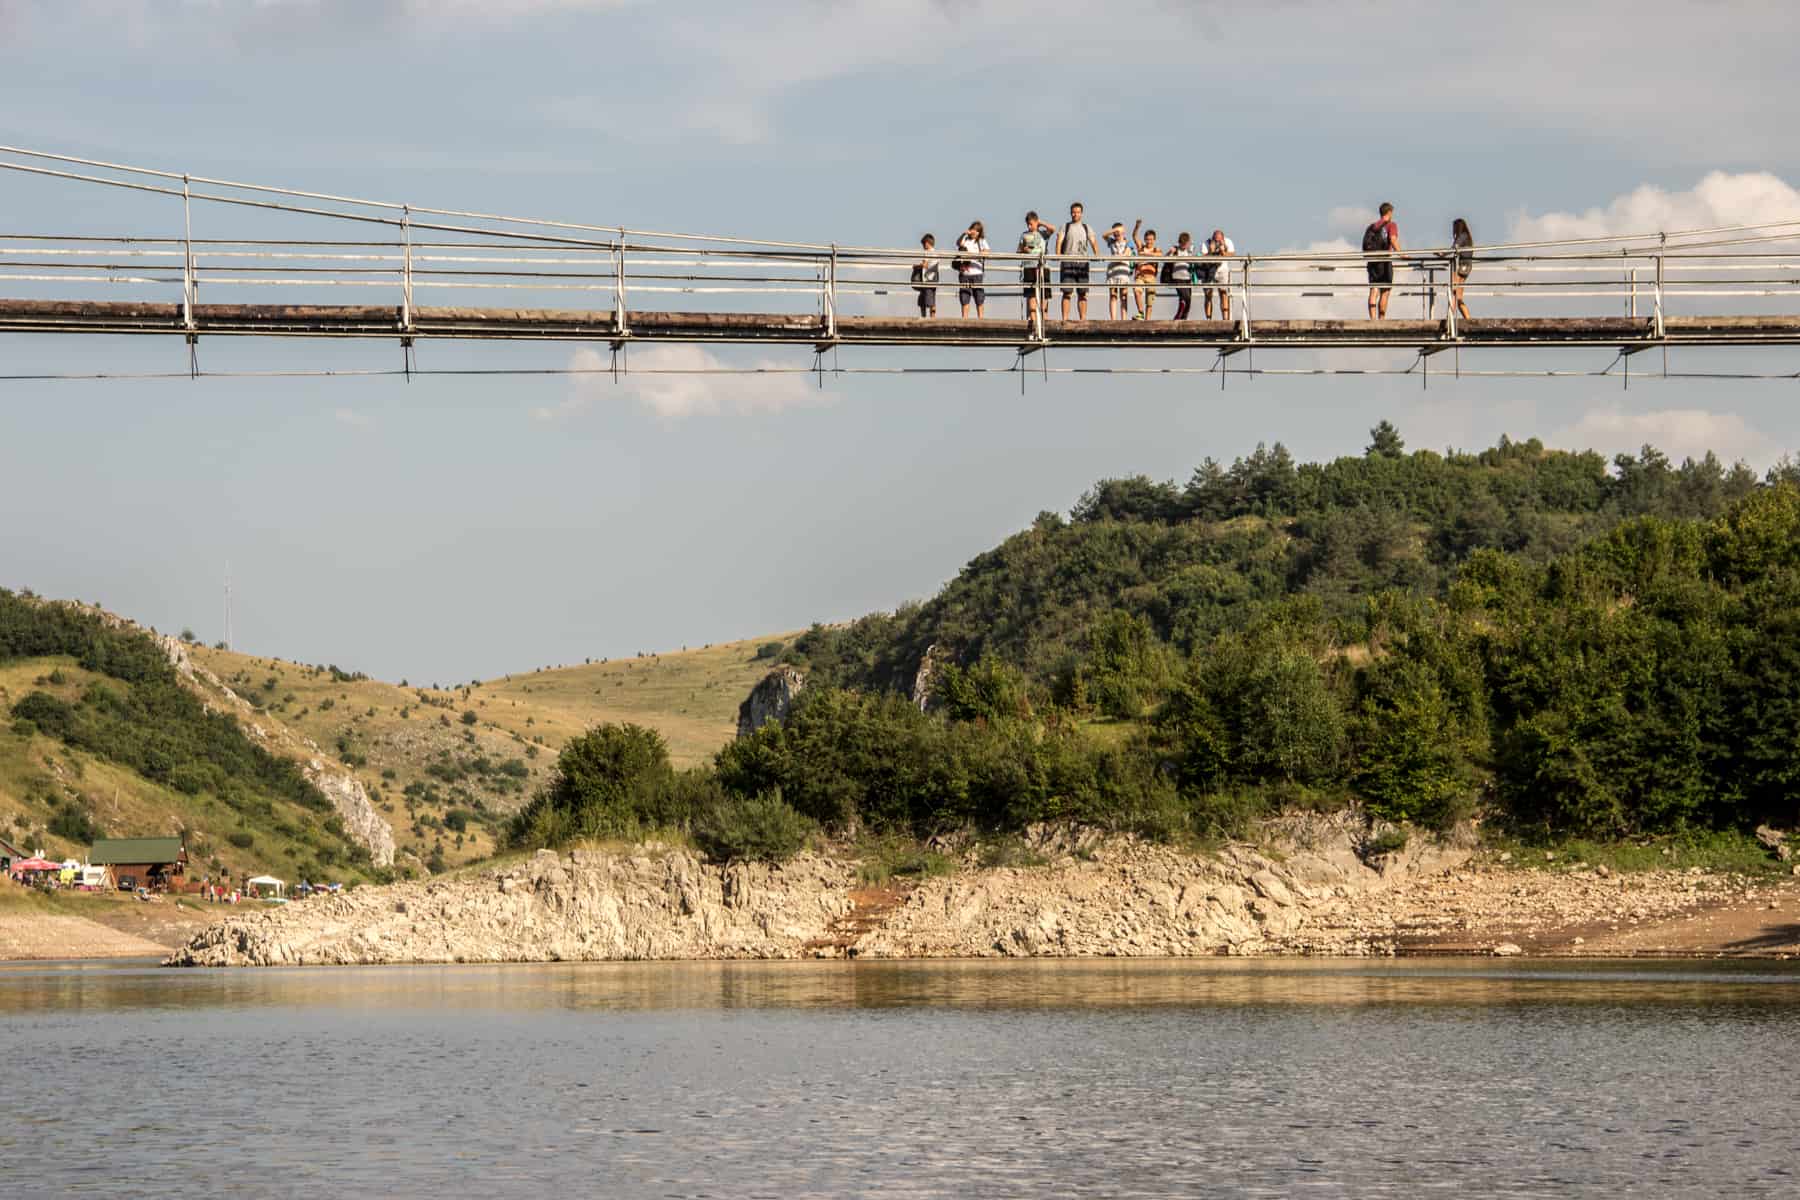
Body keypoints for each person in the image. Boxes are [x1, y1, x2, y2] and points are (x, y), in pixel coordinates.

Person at [1058, 201, 1098, 321]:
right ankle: (1065, 319)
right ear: (1071, 213)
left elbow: (1093, 241)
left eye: (1078, 212)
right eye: (1074, 212)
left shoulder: (1087, 227)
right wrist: (1059, 255)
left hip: (1082, 263)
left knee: (1082, 293)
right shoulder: (1065, 226)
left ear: (1082, 213)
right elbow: (1059, 241)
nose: (1076, 214)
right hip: (1068, 261)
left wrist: (1097, 254)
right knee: (1067, 292)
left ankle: (1083, 319)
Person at [1364, 202, 1401, 319]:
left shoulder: (1372, 226)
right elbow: (1393, 240)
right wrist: (1401, 254)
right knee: (1385, 292)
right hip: (1385, 262)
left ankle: (1373, 320)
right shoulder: (1391, 225)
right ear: (1389, 212)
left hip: (1373, 261)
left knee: (1373, 290)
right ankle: (1381, 320)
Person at [1017, 211, 1055, 322]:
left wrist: (1040, 223)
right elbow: (1018, 250)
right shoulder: (1024, 235)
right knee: (1031, 295)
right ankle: (1033, 322)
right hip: (1029, 267)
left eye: (1031, 224)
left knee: (1044, 295)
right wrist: (1023, 250)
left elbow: (1053, 229)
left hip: (1043, 267)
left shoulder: (1043, 234)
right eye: (1028, 224)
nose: (1029, 226)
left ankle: (1044, 320)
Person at [955, 221, 989, 318]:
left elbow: (987, 252)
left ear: (979, 232)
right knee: (964, 296)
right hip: (965, 273)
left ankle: (981, 319)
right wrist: (964, 234)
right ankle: (965, 319)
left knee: (979, 296)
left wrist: (974, 255)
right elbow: (958, 243)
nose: (974, 232)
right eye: (973, 229)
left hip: (977, 272)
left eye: (976, 230)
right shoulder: (965, 239)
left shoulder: (981, 241)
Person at [1200, 229, 1236, 320]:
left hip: (1222, 270)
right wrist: (1211, 252)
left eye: (1219, 240)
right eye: (1215, 240)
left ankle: (1225, 319)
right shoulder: (1206, 243)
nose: (1217, 242)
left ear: (1223, 239)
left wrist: (1223, 251)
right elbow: (1202, 258)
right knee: (1208, 295)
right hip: (1209, 270)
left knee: (1223, 293)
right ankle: (1208, 319)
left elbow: (1232, 255)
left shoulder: (1228, 242)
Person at [1104, 221, 1134, 319]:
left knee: (1124, 296)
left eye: (1119, 231)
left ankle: (1123, 319)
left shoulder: (1128, 242)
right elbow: (1103, 235)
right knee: (1113, 295)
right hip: (1113, 271)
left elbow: (1126, 255)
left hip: (1123, 271)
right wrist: (1114, 229)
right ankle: (1113, 319)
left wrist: (1117, 258)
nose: (1117, 234)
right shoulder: (1111, 242)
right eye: (1115, 232)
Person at [1165, 232, 1196, 320]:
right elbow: (1166, 259)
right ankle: (1179, 316)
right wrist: (1170, 252)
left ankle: (1183, 317)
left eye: (1186, 244)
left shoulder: (1189, 251)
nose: (1184, 246)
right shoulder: (1176, 250)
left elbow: (1192, 262)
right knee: (1184, 297)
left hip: (1187, 277)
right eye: (1183, 244)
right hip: (1177, 277)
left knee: (1188, 300)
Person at [1133, 221, 1161, 319]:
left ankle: (1147, 321)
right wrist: (1137, 227)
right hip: (1140, 275)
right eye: (1147, 239)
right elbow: (1135, 237)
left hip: (1151, 276)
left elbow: (1159, 256)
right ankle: (1141, 312)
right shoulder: (1141, 247)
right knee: (1137, 291)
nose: (1149, 241)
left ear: (1154, 240)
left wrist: (1146, 254)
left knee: (1149, 302)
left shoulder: (1156, 249)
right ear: (1145, 239)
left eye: (1151, 239)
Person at [1450, 217, 1473, 321]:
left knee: (1454, 291)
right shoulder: (1466, 237)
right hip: (1466, 266)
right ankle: (1468, 319)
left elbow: (1454, 247)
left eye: (1454, 228)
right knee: (1458, 296)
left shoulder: (1463, 236)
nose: (1453, 230)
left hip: (1464, 266)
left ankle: (1450, 318)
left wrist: (1442, 254)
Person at [912, 233, 939, 318]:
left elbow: (925, 265)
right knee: (927, 299)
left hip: (928, 279)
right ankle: (931, 318)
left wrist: (915, 266)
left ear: (927, 243)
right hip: (932, 279)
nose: (923, 246)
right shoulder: (935, 252)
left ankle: (928, 318)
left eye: (923, 244)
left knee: (929, 300)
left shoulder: (928, 252)